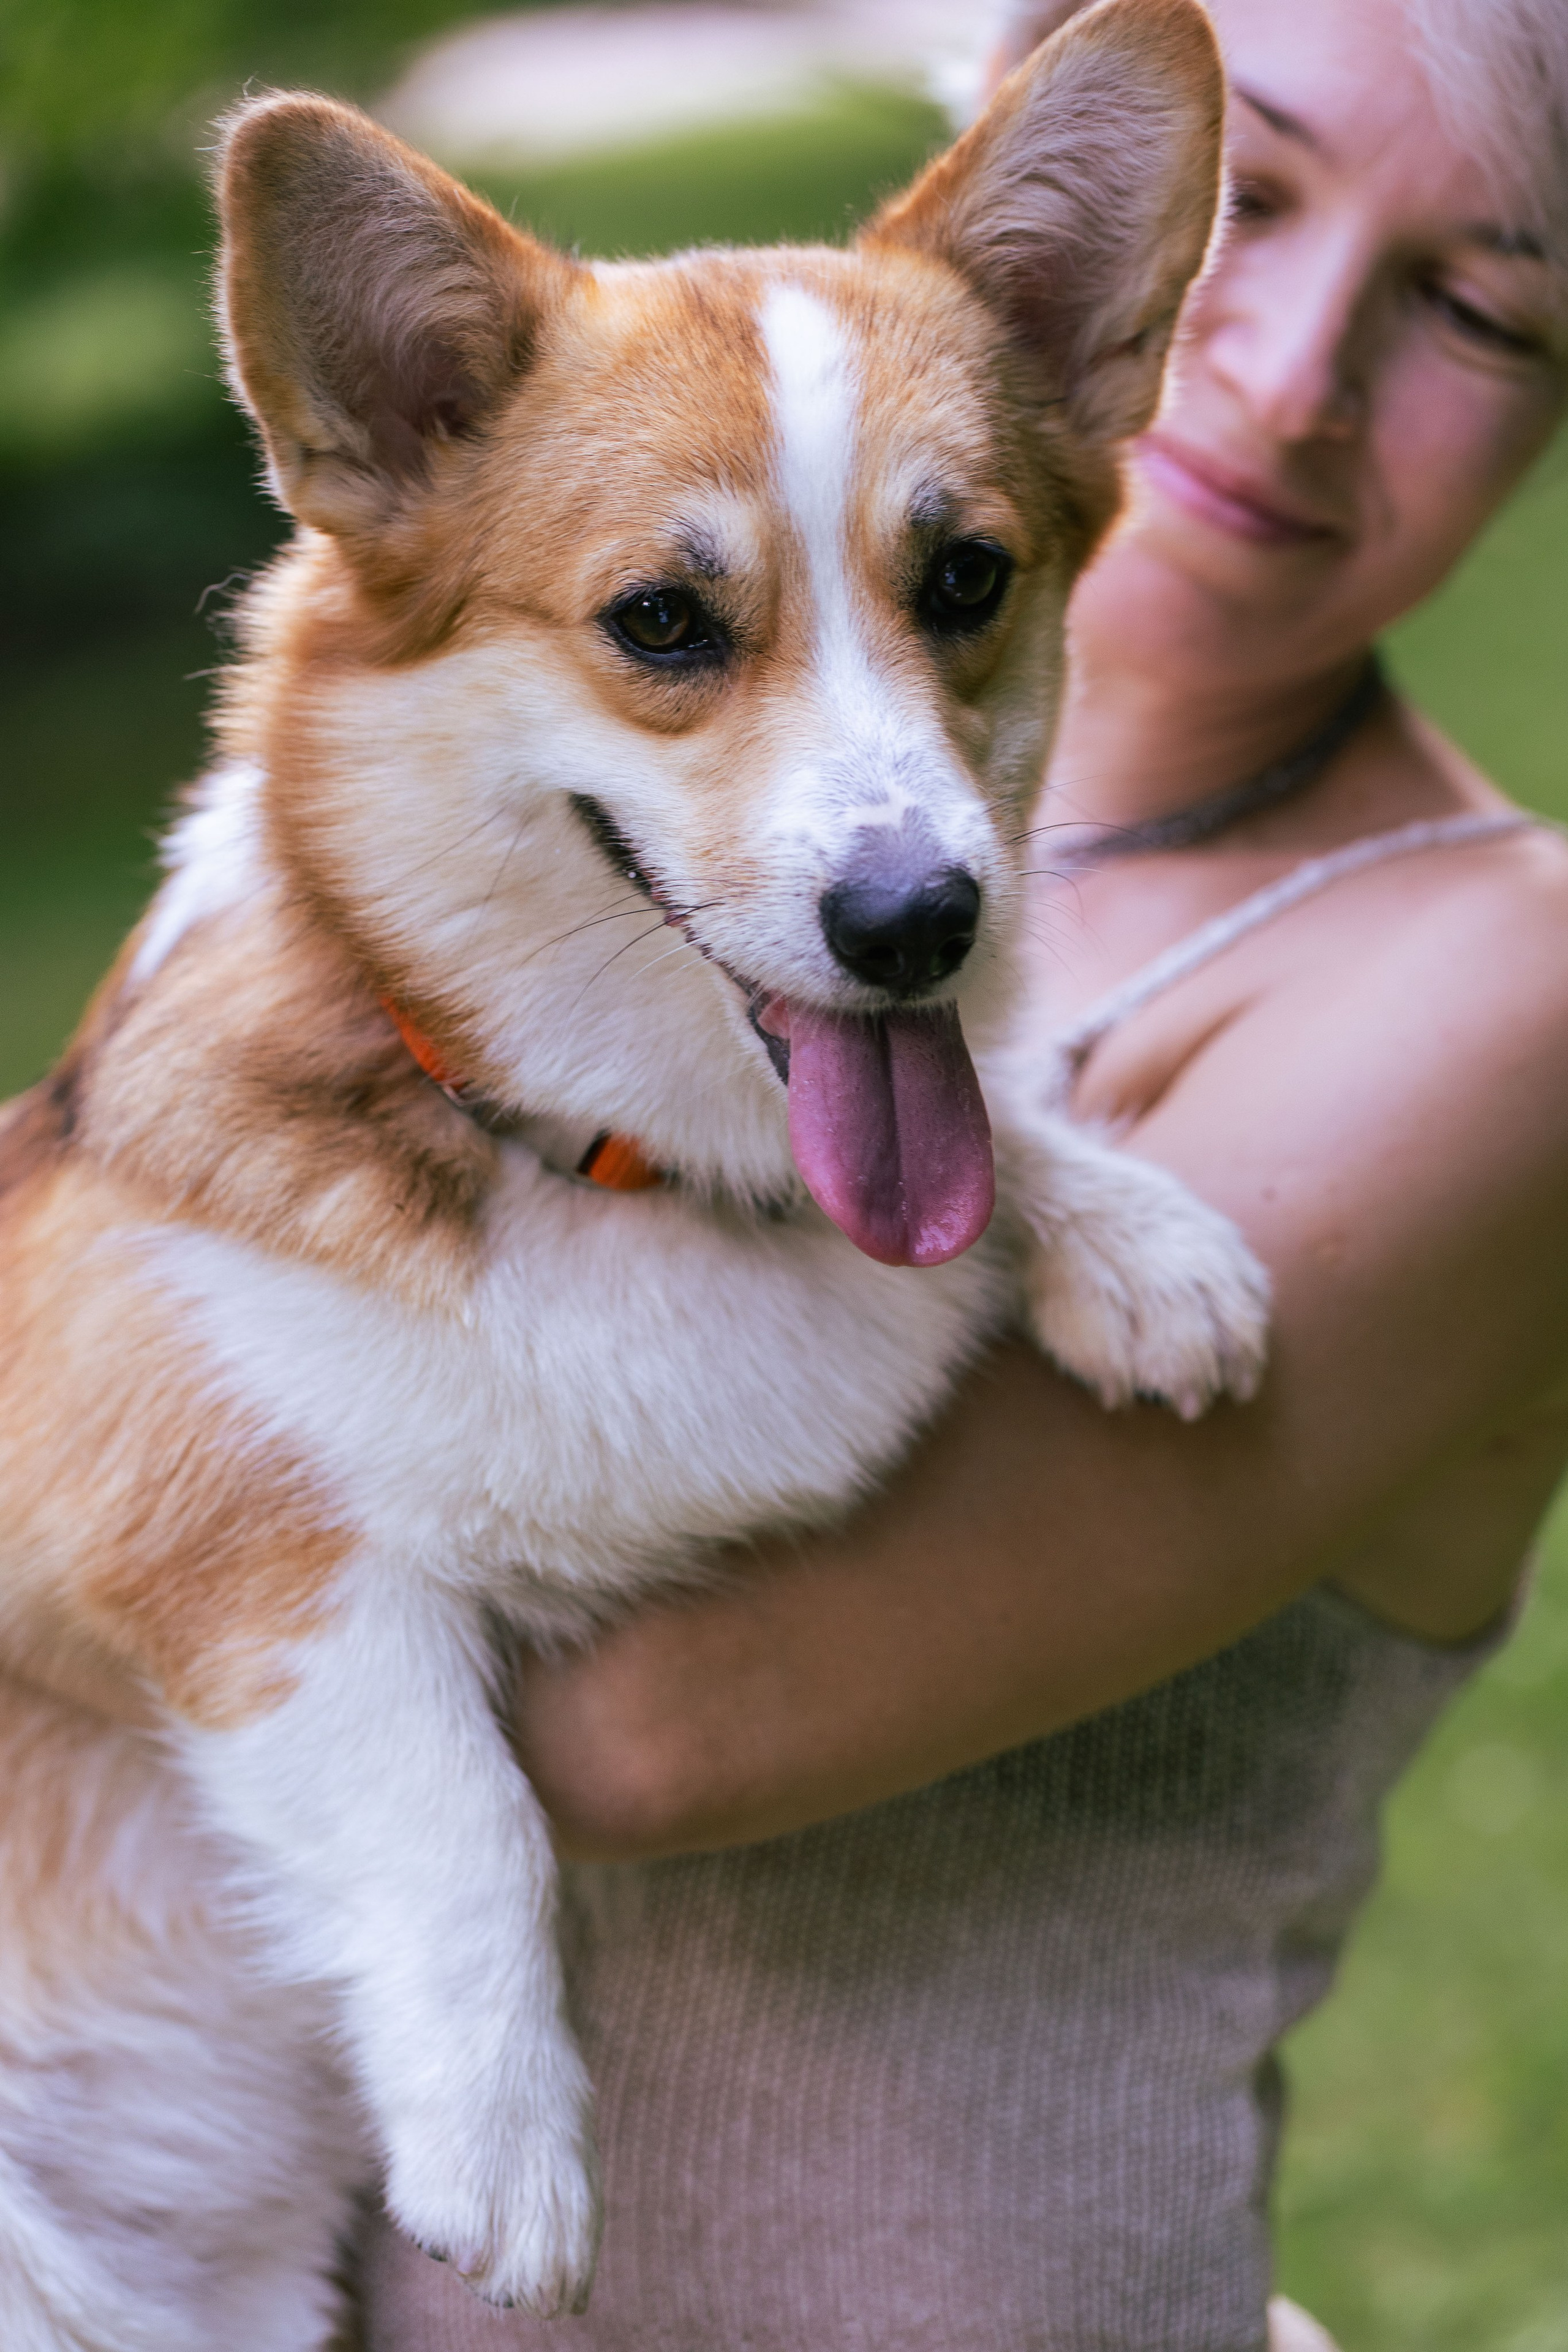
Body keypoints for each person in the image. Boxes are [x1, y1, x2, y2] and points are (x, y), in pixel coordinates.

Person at [363, 0, 1568, 2345]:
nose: (1299, 370)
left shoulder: (1507, 1010)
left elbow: (654, 1725)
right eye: (1262, 202)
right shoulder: (565, 807)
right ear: (1035, 192)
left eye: (1485, 306)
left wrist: (142, 1345)